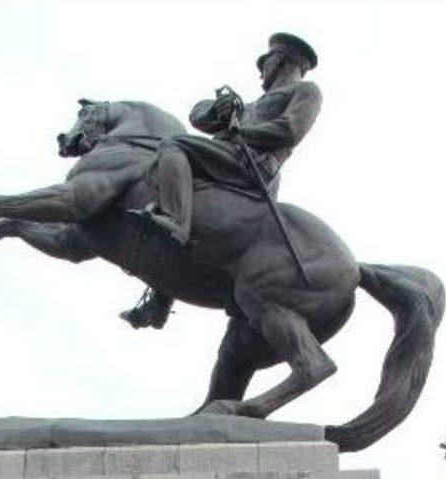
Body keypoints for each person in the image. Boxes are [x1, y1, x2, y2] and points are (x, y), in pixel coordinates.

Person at [121, 30, 321, 328]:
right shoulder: (252, 104)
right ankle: (160, 299)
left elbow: (291, 130)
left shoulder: (305, 92)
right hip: (229, 157)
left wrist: (241, 132)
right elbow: (199, 118)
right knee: (177, 185)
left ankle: (176, 222)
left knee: (173, 146)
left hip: (253, 165)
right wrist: (220, 110)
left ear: (278, 62)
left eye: (264, 64)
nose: (261, 72)